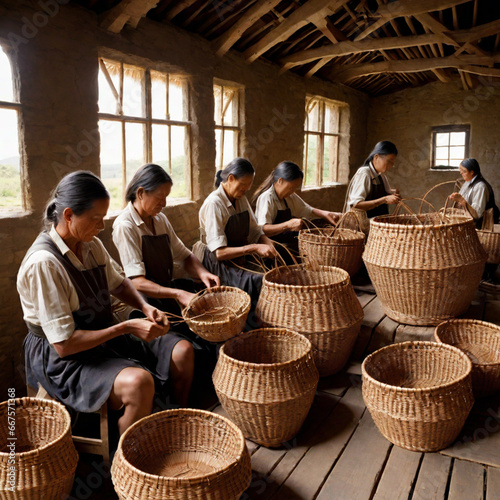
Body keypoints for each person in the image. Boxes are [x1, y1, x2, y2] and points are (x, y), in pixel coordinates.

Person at [18, 171, 194, 437]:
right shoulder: (45, 263)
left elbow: (121, 284)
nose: (101, 227)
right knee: (139, 383)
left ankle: (176, 425)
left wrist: (145, 308)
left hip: (100, 334)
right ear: (68, 215)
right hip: (62, 357)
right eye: (96, 220)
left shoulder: (91, 245)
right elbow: (64, 344)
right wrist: (125, 328)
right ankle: (122, 466)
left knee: (182, 351)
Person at [195, 158, 277, 306]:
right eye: (242, 185)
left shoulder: (241, 198)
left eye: (248, 186)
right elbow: (219, 253)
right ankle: (251, 321)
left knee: (273, 273)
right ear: (230, 179)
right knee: (258, 280)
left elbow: (255, 230)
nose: (245, 190)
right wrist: (254, 248)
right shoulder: (214, 203)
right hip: (216, 261)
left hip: (238, 255)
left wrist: (267, 242)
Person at [253, 161, 341, 256]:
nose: (293, 191)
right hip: (271, 246)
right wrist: (288, 225)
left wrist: (326, 214)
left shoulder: (289, 196)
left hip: (285, 241)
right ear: (280, 181)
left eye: (295, 188)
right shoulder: (267, 198)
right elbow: (263, 229)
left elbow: (306, 209)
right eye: (291, 187)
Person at [345, 140, 401, 220]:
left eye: (392, 163)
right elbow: (355, 204)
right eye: (389, 161)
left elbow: (385, 192)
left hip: (377, 225)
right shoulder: (364, 173)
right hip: (360, 227)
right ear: (376, 157)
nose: (391, 165)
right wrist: (384, 199)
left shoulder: (381, 175)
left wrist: (393, 194)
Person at [449, 158, 500, 229]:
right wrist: (456, 198)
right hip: (468, 223)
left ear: (472, 172)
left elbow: (476, 214)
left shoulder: (480, 186)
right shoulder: (467, 182)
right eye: (460, 170)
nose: (461, 173)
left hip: (480, 226)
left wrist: (461, 200)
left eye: (464, 171)